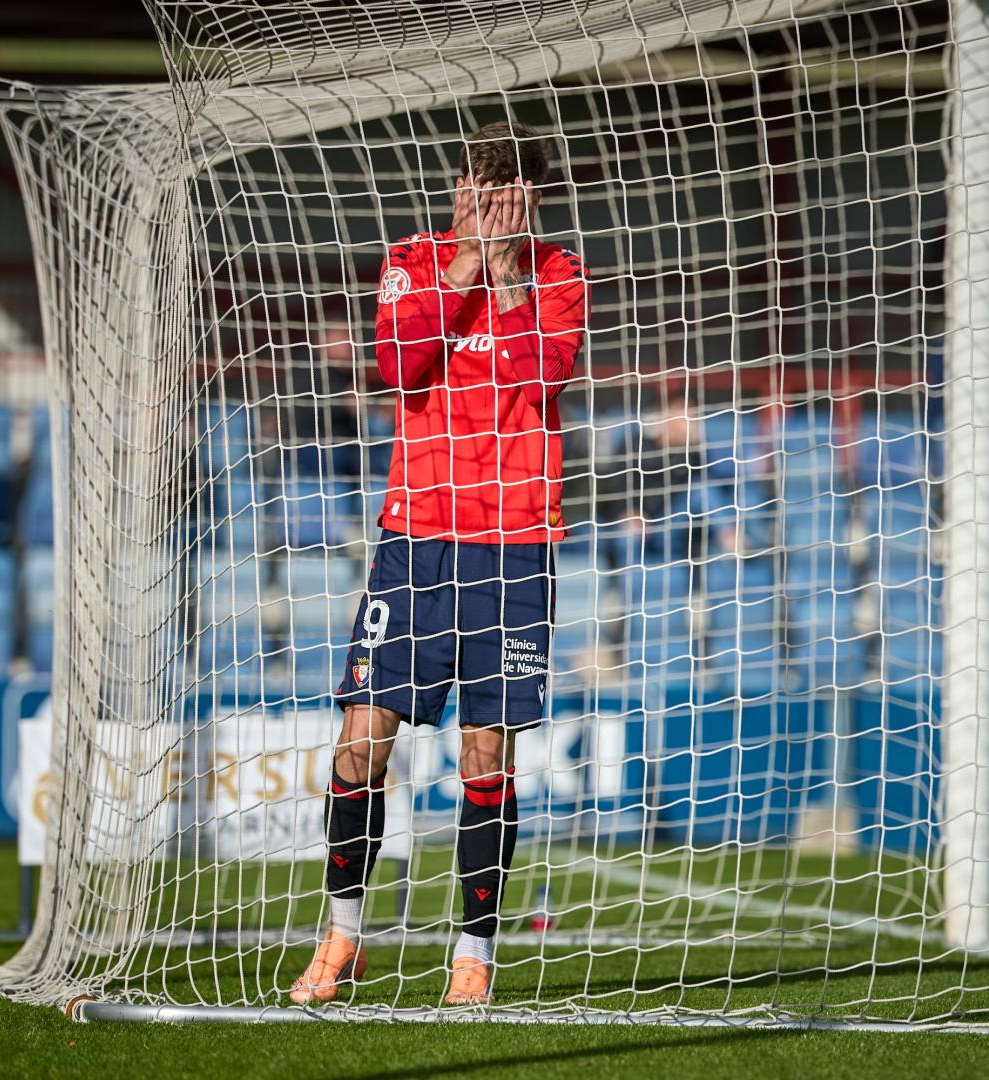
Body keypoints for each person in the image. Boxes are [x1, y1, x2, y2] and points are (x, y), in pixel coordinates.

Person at [288, 120, 588, 1007]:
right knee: (360, 744)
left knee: (485, 753)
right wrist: (463, 267)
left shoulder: (559, 275)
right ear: (457, 186)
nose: (484, 205)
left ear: (530, 200)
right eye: (475, 186)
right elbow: (398, 365)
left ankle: (473, 956)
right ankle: (343, 939)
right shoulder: (412, 261)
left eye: (504, 193)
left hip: (515, 544)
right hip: (414, 539)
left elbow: (543, 376)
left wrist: (504, 276)